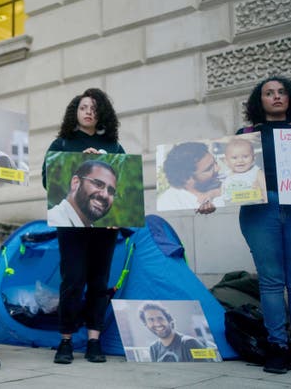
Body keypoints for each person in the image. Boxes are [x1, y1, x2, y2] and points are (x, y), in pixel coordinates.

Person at [236, 75, 291, 374]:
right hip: (260, 208)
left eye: (282, 92)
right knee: (270, 281)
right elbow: (230, 178)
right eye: (269, 93)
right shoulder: (245, 135)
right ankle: (277, 347)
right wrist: (210, 199)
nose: (276, 96)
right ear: (260, 101)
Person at [41, 88, 123, 364]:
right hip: (71, 230)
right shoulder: (62, 144)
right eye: (83, 107)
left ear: (102, 114)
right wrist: (83, 161)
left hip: (105, 230)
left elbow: (123, 190)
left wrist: (118, 218)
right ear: (75, 112)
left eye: (94, 108)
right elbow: (47, 181)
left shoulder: (114, 147)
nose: (89, 112)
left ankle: (93, 341)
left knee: (99, 282)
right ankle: (65, 341)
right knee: (72, 281)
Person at [156, 141, 224, 213]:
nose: (218, 168)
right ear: (186, 178)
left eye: (215, 162)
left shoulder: (220, 183)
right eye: (209, 168)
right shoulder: (170, 202)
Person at [47, 160, 117, 227]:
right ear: (76, 183)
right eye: (98, 184)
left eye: (111, 191)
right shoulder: (53, 222)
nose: (105, 195)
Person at [138, 302, 211, 362]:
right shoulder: (153, 348)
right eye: (151, 320)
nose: (157, 323)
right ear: (146, 324)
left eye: (160, 318)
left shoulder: (191, 342)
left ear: (169, 320)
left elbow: (209, 369)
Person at [220, 137, 267, 204]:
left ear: (254, 157)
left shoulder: (256, 171)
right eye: (234, 158)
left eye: (245, 156)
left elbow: (265, 189)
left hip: (253, 204)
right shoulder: (226, 175)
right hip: (231, 206)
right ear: (226, 161)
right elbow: (222, 192)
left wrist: (265, 200)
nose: (240, 161)